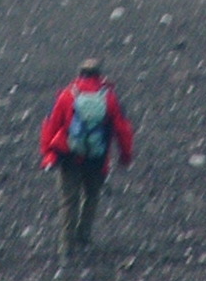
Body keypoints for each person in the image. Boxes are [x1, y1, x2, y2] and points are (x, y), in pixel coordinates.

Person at [38, 57, 134, 257]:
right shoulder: (109, 97)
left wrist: (48, 154)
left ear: (79, 73)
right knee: (91, 196)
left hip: (69, 156)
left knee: (68, 201)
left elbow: (51, 125)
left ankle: (66, 246)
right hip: (97, 158)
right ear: (100, 75)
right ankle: (84, 236)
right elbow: (123, 129)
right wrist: (125, 156)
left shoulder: (67, 95)